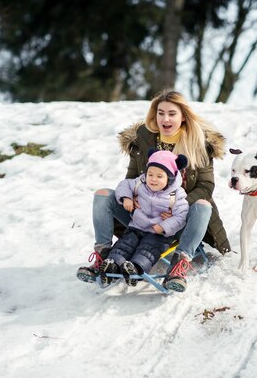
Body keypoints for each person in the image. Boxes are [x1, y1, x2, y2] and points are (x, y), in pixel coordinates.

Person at [77, 89, 231, 292]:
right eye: (160, 113)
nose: (165, 118)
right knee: (103, 195)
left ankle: (179, 265)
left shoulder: (198, 143)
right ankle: (103, 258)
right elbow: (131, 178)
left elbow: (206, 186)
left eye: (172, 113)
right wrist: (130, 197)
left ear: (183, 116)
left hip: (179, 217)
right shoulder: (144, 138)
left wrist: (176, 205)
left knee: (204, 205)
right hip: (144, 215)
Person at [92, 149, 189, 286]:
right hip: (136, 226)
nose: (153, 179)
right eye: (150, 174)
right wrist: (127, 197)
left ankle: (136, 269)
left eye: (159, 176)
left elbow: (182, 215)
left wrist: (163, 227)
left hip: (158, 234)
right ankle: (112, 265)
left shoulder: (176, 195)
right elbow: (124, 184)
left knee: (147, 250)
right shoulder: (140, 182)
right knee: (124, 244)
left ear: (170, 178)